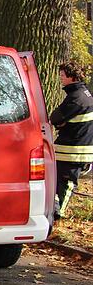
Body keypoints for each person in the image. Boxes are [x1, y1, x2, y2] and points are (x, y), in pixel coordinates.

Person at [49, 61, 93, 229]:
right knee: (60, 183)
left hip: (73, 151)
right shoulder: (84, 94)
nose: (60, 78)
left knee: (65, 184)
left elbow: (55, 119)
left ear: (71, 76)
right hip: (76, 149)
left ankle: (58, 216)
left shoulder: (76, 98)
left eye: (62, 75)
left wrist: (61, 123)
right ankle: (55, 213)